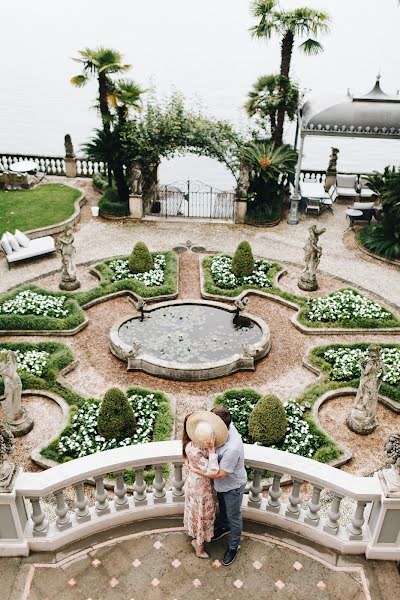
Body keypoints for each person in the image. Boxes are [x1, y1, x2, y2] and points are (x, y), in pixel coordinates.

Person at [189, 406, 247, 566]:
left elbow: (221, 474)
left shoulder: (232, 449)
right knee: (223, 509)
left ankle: (233, 546)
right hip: (221, 485)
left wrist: (196, 470)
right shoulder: (227, 425)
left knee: (234, 517)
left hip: (232, 486)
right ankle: (222, 527)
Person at [182, 411, 228, 559]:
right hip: (200, 488)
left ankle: (198, 541)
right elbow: (213, 470)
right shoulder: (193, 449)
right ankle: (199, 547)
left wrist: (195, 468)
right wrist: (212, 450)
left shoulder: (194, 444)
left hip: (199, 483)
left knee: (199, 514)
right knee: (201, 516)